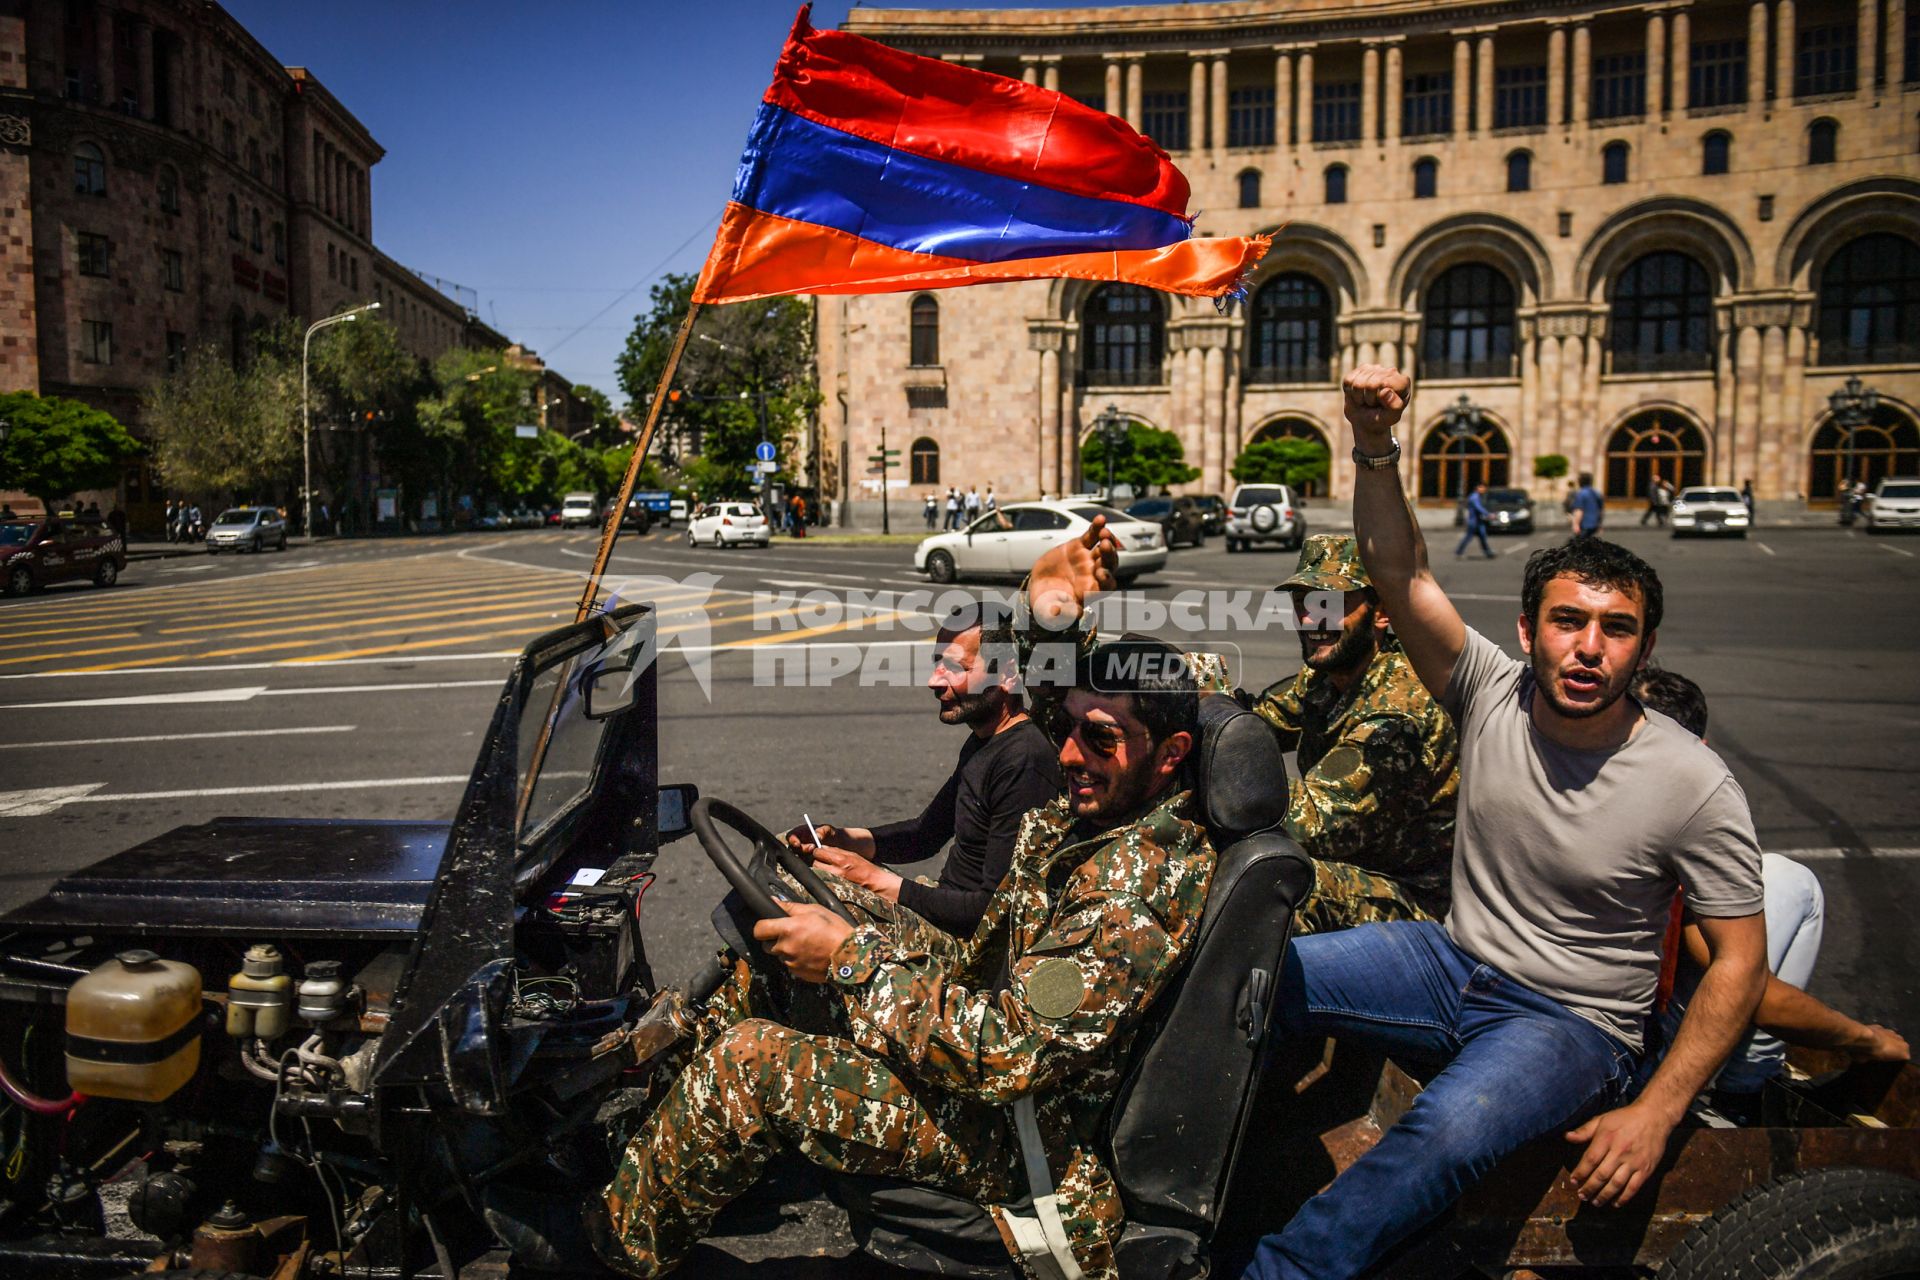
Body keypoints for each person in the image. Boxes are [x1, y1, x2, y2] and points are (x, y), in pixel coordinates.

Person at [1242, 366, 1766, 1280]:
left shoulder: (1695, 781)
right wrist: (1372, 444)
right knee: (1240, 974)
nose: (1588, 647)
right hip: (1449, 961)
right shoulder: (1490, 689)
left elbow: (1743, 963)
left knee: (1445, 1134)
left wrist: (1659, 1110)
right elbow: (1397, 570)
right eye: (1568, 621)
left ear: (1643, 647)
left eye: (1616, 629)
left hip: (1572, 1025)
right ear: (1528, 632)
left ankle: (1277, 1272)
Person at [593, 619, 1213, 1279]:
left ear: (1172, 753)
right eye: (1066, 726)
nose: (1068, 755)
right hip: (993, 1047)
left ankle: (610, 1254)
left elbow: (1005, 1051)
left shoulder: (1132, 894)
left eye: (1101, 737)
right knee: (780, 939)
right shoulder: (1097, 817)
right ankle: (650, 1136)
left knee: (749, 1062)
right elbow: (979, 929)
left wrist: (852, 961)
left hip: (1021, 1136)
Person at [1040, 531, 1458, 934]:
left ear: (1381, 612)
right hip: (1359, 868)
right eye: (1303, 602)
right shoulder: (1327, 680)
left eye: (1331, 603)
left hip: (1411, 900)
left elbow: (1310, 821)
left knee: (1270, 875)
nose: (1312, 617)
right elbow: (1247, 719)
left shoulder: (1400, 710)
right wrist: (1138, 675)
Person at [1629, 667, 1908, 1121]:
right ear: (1698, 747)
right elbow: (1753, 993)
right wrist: (1866, 1040)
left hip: (1552, 1027)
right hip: (1630, 1063)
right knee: (1788, 880)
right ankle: (1744, 1091)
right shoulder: (1679, 806)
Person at [786, 606, 1062, 936]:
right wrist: (840, 838)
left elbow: (994, 910)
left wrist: (873, 880)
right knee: (788, 859)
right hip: (943, 911)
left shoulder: (1024, 761)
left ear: (1006, 674)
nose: (934, 681)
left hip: (966, 946)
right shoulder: (984, 743)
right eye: (937, 665)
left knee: (799, 904)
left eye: (954, 669)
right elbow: (925, 835)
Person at [1455, 483, 1495, 558]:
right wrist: (1488, 514)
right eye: (1482, 488)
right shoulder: (1474, 497)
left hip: (1478, 521)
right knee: (1469, 537)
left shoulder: (1477, 496)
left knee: (1482, 536)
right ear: (1478, 487)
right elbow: (1478, 507)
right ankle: (1459, 552)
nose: (1484, 490)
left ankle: (1488, 552)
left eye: (1485, 488)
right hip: (1473, 521)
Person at [1570, 471, 1604, 540]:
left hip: (1584, 525)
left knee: (1578, 545)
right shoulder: (1597, 493)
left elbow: (1579, 511)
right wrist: (1599, 524)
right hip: (1594, 525)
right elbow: (1600, 510)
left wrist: (1576, 524)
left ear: (1580, 481)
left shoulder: (1581, 494)